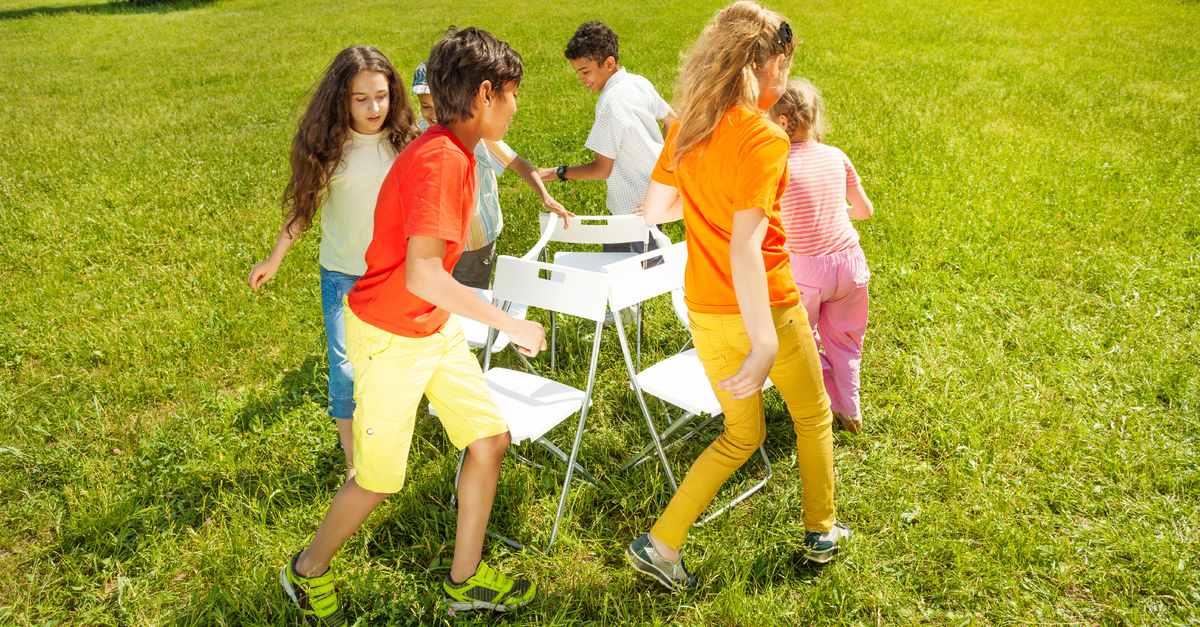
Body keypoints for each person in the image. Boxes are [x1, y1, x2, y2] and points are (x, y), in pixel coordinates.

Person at [279, 28, 544, 626]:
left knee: (488, 439)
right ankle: (306, 571)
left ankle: (465, 581)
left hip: (433, 328)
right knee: (376, 481)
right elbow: (424, 274)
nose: (515, 104)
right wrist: (511, 324)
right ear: (484, 93)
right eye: (513, 94)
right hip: (392, 337)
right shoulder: (441, 161)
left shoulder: (448, 148)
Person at [630, 1, 850, 592]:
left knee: (740, 435)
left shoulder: (687, 125)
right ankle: (821, 531)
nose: (786, 74)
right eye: (786, 62)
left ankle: (661, 542)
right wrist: (763, 342)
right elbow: (746, 249)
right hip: (767, 308)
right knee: (812, 416)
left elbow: (655, 211)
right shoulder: (764, 138)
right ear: (770, 63)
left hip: (703, 310)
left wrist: (704, 204)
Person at [246, 46, 419, 482]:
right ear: (342, 98)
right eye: (361, 98)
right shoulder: (331, 149)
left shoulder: (406, 140)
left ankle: (392, 439)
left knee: (389, 366)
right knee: (345, 369)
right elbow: (303, 209)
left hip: (395, 273)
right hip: (343, 274)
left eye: (381, 95)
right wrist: (274, 258)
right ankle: (355, 465)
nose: (374, 107)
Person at [767, 78, 874, 434]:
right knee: (846, 341)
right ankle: (851, 410)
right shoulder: (836, 156)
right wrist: (841, 209)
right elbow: (865, 211)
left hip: (806, 271)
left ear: (782, 121)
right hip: (850, 263)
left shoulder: (777, 163)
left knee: (801, 340)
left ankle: (820, 400)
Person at [411, 61, 574, 288]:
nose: (432, 113)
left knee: (471, 294)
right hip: (438, 236)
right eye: (424, 106)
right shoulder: (419, 126)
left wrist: (546, 196)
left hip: (474, 238)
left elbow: (519, 163)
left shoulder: (477, 134)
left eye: (438, 104)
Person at [537, 21, 678, 254]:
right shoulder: (638, 82)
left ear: (609, 63)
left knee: (626, 274)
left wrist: (558, 172)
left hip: (629, 211)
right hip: (655, 198)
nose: (581, 79)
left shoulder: (609, 105)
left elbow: (602, 169)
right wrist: (665, 167)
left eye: (585, 71)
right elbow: (674, 124)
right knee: (646, 271)